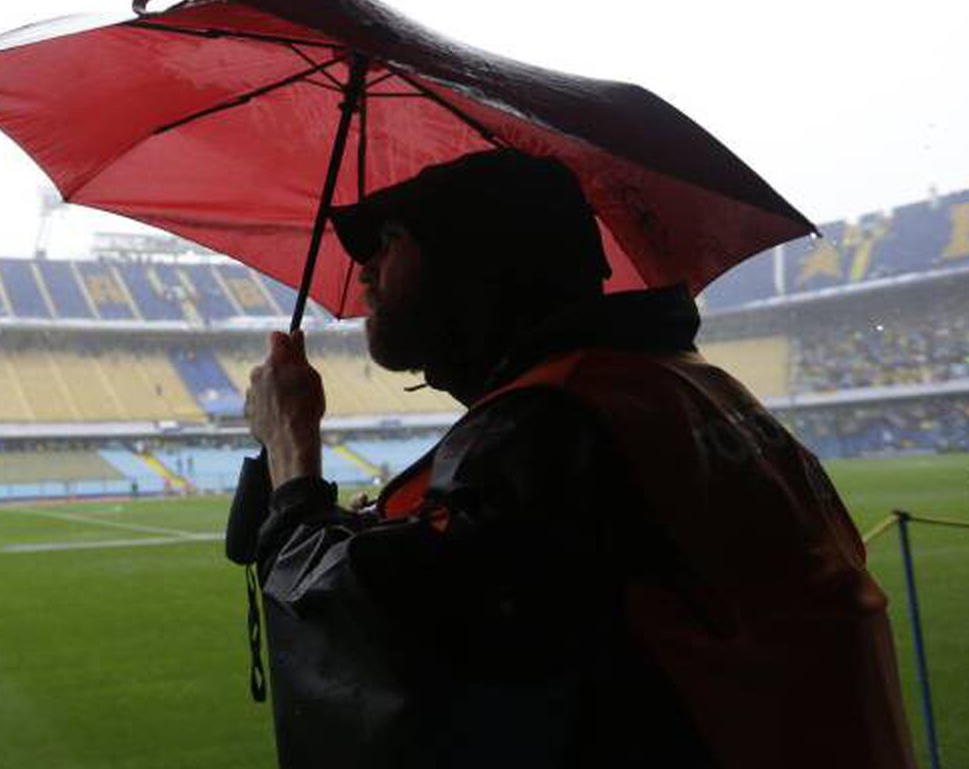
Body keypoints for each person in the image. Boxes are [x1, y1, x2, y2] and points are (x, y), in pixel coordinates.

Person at [242, 151, 914, 769]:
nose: (364, 268)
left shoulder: (554, 427)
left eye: (388, 242)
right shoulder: (683, 387)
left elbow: (378, 635)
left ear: (470, 264)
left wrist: (291, 449)